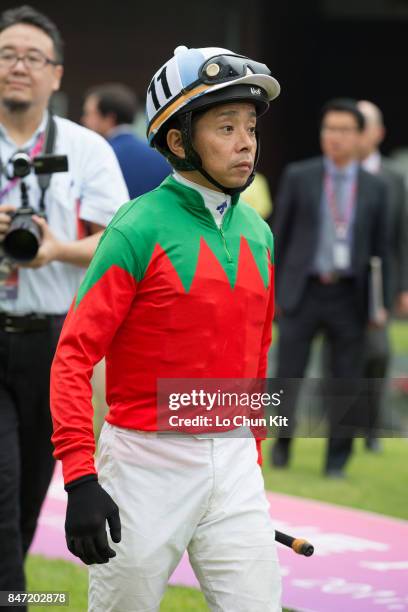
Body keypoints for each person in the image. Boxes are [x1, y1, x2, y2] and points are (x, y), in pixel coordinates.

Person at [50, 45, 283, 611]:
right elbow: (73, 358)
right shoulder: (136, 226)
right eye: (225, 126)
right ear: (178, 142)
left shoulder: (258, 230)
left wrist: (248, 458)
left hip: (233, 468)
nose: (245, 141)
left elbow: (256, 357)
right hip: (142, 465)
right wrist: (81, 479)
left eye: (250, 126)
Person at [0, 4, 128, 598]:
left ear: (56, 73)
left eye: (32, 57)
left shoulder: (87, 149)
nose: (17, 66)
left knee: (27, 496)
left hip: (53, 338)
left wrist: (57, 250)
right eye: (6, 55)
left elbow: (116, 243)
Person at [271, 98, 389, 478]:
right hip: (302, 291)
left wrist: (383, 300)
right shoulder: (299, 176)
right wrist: (273, 290)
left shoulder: (376, 187)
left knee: (345, 381)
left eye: (343, 130)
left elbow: (386, 247)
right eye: (328, 129)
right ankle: (282, 444)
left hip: (349, 296)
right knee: (289, 372)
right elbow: (279, 236)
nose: (334, 137)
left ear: (359, 137)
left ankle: (337, 461)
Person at [356, 100, 408, 450]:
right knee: (340, 358)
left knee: (378, 353)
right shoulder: (328, 173)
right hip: (336, 282)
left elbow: (400, 237)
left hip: (378, 282)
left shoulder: (392, 177)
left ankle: (371, 430)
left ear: (377, 133)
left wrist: (402, 287)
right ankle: (341, 431)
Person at [82, 82, 171, 198]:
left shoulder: (99, 157)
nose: (84, 120)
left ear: (109, 118)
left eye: (89, 114)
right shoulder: (162, 157)